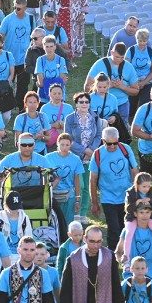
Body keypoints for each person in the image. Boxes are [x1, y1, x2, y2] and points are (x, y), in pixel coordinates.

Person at [89, 126, 139, 250]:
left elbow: (135, 171)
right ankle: (112, 254)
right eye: (108, 143)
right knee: (113, 228)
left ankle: (127, 251)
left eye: (115, 143)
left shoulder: (125, 149)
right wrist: (95, 203)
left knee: (125, 225)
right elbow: (93, 179)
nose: (112, 146)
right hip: (108, 196)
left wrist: (138, 193)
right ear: (103, 140)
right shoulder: (98, 154)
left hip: (126, 195)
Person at [63, 92, 101, 224]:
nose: (84, 104)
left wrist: (91, 151)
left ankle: (83, 213)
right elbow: (68, 138)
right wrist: (84, 150)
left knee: (87, 186)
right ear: (76, 104)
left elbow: (98, 136)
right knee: (79, 185)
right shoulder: (70, 119)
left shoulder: (95, 117)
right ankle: (75, 212)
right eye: (81, 102)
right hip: (76, 157)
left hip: (90, 157)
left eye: (86, 102)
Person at [84, 42, 139, 121]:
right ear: (111, 52)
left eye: (122, 58)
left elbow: (136, 91)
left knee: (121, 131)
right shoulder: (99, 64)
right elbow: (87, 87)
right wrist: (106, 87)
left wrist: (122, 87)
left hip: (122, 104)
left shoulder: (129, 67)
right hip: (100, 104)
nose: (119, 60)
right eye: (117, 57)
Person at [121, 172, 152, 263]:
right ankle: (126, 256)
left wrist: (150, 202)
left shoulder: (150, 192)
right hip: (132, 217)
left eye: (149, 186)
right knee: (129, 233)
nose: (147, 189)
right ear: (137, 185)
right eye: (144, 186)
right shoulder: (130, 192)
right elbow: (128, 209)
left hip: (148, 217)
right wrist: (136, 203)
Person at [0, 0, 33, 107]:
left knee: (23, 84)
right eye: (15, 8)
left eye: (19, 8)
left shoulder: (31, 19)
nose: (16, 10)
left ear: (25, 8)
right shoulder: (8, 19)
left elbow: (33, 36)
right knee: (8, 84)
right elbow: (0, 35)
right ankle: (8, 105)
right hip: (10, 58)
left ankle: (21, 106)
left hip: (24, 58)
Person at [46, 133, 84, 225]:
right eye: (62, 144)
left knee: (67, 222)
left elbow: (77, 180)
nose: (64, 147)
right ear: (57, 143)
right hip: (53, 193)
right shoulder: (48, 158)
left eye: (67, 145)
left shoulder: (76, 159)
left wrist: (77, 199)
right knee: (54, 221)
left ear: (70, 145)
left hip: (69, 194)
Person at [125, 29, 152, 122]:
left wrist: (143, 82)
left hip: (147, 82)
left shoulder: (151, 52)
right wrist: (134, 82)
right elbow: (126, 68)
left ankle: (142, 124)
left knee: (144, 106)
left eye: (144, 41)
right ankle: (130, 125)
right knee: (131, 107)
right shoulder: (131, 51)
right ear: (136, 39)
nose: (142, 43)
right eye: (140, 41)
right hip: (133, 83)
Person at [56, 0, 87, 68]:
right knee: (66, 38)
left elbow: (84, 1)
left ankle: (72, 59)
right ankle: (65, 59)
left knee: (76, 38)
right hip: (64, 16)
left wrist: (83, 14)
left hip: (77, 17)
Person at [0, 191, 33, 261]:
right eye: (12, 207)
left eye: (16, 207)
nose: (14, 210)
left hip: (21, 254)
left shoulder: (25, 218)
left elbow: (29, 237)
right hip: (3, 254)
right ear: (5, 205)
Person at [34, 35, 68, 105]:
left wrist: (45, 82)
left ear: (55, 47)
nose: (49, 49)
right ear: (43, 47)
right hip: (43, 97)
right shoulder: (40, 60)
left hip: (59, 96)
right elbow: (41, 81)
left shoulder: (61, 60)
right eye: (47, 46)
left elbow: (62, 80)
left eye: (51, 46)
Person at [39, 84, 72, 152]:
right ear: (50, 94)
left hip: (66, 140)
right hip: (50, 140)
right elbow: (41, 126)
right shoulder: (44, 108)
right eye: (54, 93)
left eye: (59, 93)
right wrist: (53, 125)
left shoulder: (69, 107)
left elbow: (74, 124)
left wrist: (64, 125)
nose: (57, 96)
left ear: (63, 95)